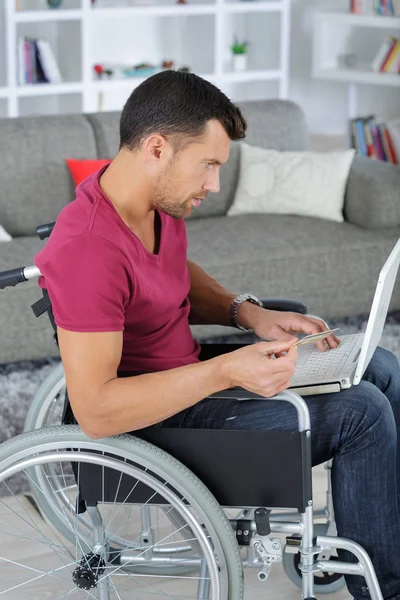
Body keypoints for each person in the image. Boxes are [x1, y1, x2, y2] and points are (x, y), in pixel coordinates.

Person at [34, 70, 400, 600]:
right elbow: (96, 410)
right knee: (363, 412)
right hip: (151, 427)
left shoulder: (152, 206)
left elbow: (175, 275)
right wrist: (228, 368)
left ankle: (378, 537)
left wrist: (247, 314)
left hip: (192, 384)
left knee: (380, 365)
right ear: (156, 148)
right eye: (208, 165)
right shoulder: (88, 249)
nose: (214, 184)